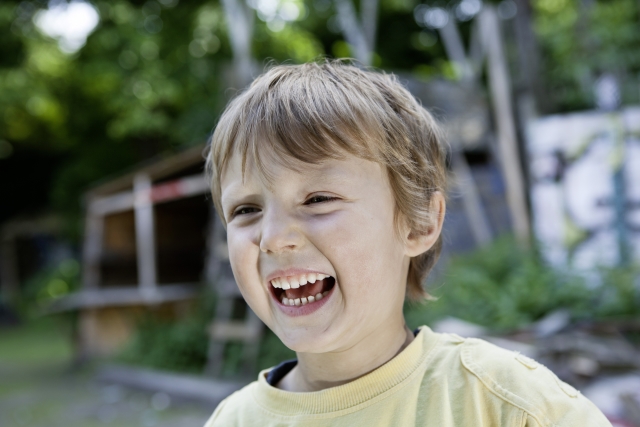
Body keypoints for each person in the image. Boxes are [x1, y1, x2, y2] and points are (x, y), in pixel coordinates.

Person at [203, 60, 611, 426]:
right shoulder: (232, 421)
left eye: (318, 199)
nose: (272, 238)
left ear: (418, 223)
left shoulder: (510, 405)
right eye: (245, 210)